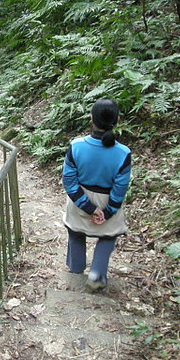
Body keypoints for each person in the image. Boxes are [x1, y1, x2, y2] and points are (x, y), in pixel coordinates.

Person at [62, 98, 132, 291]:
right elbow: (120, 187)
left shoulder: (76, 146)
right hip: (107, 200)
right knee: (108, 236)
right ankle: (96, 274)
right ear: (116, 121)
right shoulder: (123, 153)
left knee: (75, 232)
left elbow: (69, 181)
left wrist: (88, 207)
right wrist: (107, 212)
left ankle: (76, 271)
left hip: (79, 199)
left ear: (91, 118)